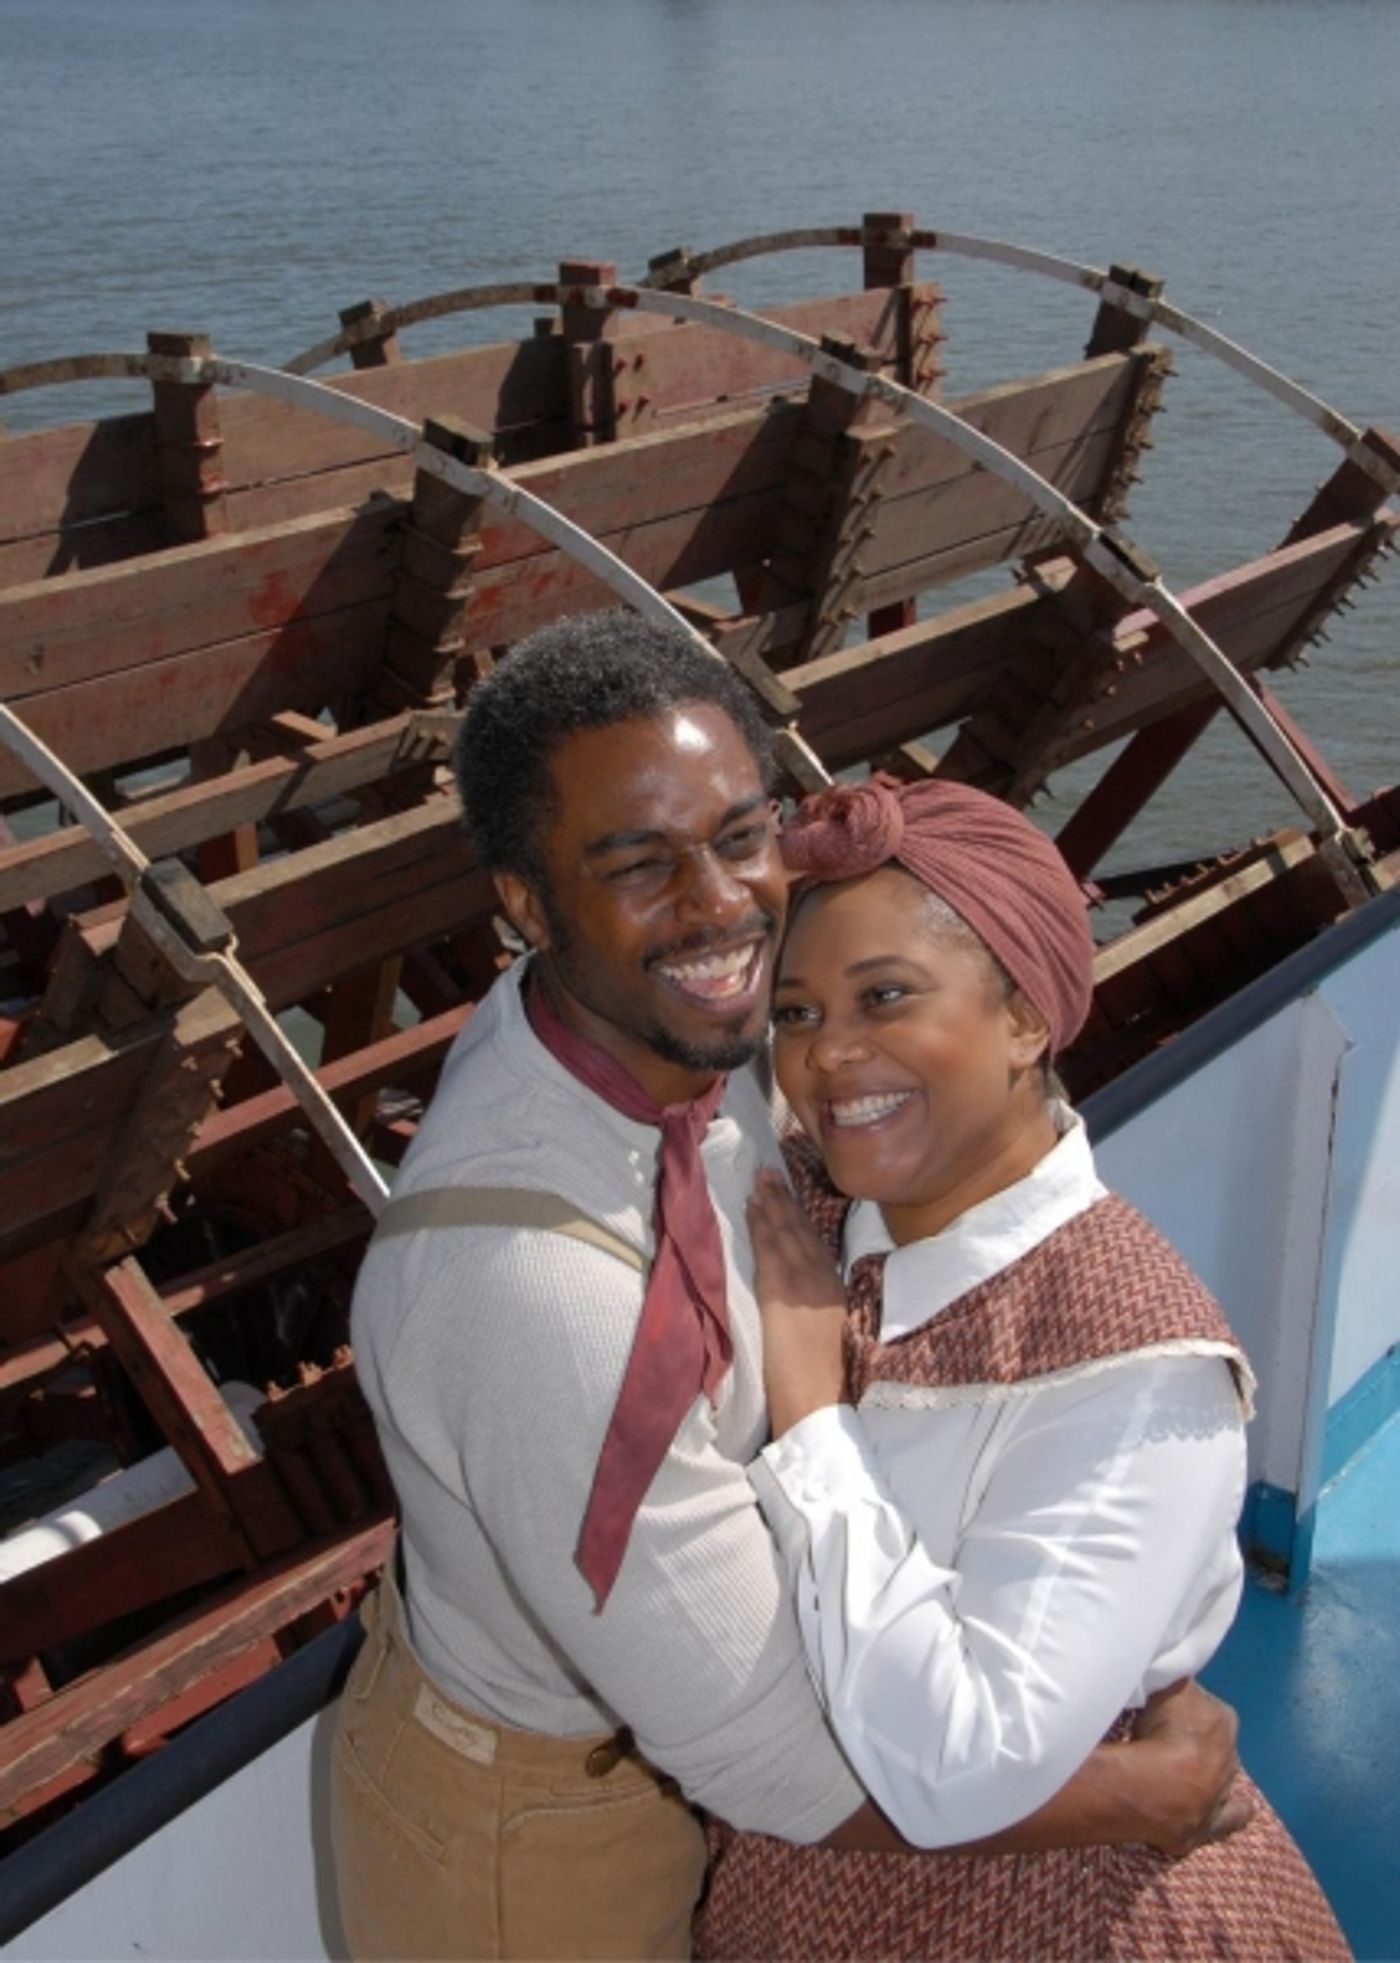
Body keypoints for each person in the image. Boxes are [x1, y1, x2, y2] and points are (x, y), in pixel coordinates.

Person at [330, 612, 1248, 1963]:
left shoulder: (650, 1029)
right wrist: (1145, 1792)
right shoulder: (535, 1294)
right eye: (637, 862)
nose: (719, 905)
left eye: (739, 835)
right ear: (525, 905)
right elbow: (770, 1760)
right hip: (544, 1835)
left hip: (681, 1747)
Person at [695, 772, 1349, 1961]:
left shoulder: (1137, 1367)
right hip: (800, 1889)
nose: (827, 1055)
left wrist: (810, 1420)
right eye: (792, 1012)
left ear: (1023, 1019)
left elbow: (962, 1763)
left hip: (1064, 1909)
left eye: (883, 995)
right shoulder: (806, 1213)